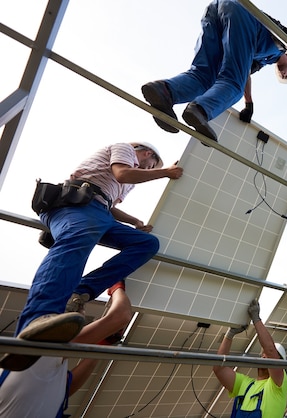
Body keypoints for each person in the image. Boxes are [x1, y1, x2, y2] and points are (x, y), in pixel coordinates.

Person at [0, 142, 183, 372]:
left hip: (99, 212)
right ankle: (36, 321)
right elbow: (123, 174)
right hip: (77, 205)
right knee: (75, 242)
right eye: (150, 165)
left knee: (146, 244)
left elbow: (109, 204)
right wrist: (164, 172)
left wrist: (134, 221)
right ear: (147, 154)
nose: (148, 170)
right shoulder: (125, 150)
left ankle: (81, 291)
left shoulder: (124, 185)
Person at [141, 0, 287, 141]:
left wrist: (249, 104)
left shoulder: (261, 60)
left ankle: (164, 91)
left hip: (217, 10)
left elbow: (245, 74)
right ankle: (200, 110)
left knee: (204, 75)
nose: (284, 74)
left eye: (284, 77)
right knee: (232, 84)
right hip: (243, 16)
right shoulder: (282, 46)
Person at [0, 283, 133, 418]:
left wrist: (116, 287)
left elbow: (120, 317)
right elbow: (119, 317)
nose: (83, 312)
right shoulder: (42, 370)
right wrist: (116, 287)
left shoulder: (39, 356)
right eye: (80, 307)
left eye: (79, 306)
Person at [213, 299, 287, 418]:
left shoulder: (277, 385)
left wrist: (256, 319)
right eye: (263, 353)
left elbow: (270, 351)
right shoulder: (244, 384)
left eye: (270, 356)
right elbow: (219, 369)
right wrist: (229, 335)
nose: (265, 355)